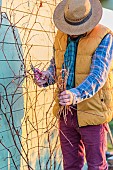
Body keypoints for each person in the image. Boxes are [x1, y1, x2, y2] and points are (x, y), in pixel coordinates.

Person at [34, 0, 113, 169]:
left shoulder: (104, 36)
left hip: (92, 111)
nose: (72, 32)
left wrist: (74, 95)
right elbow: (56, 68)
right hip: (66, 113)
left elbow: (98, 76)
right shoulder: (61, 35)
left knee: (96, 165)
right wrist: (46, 77)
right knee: (70, 165)